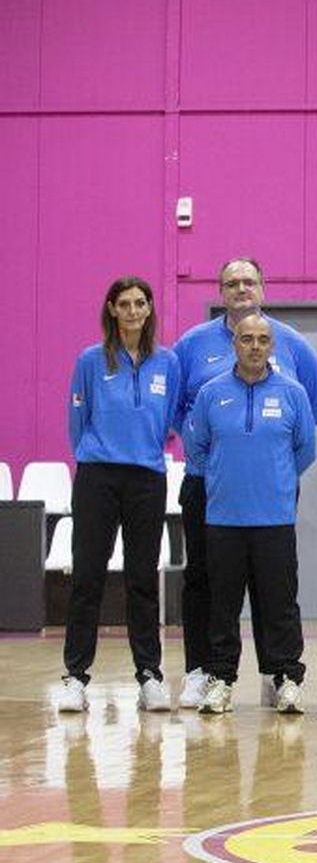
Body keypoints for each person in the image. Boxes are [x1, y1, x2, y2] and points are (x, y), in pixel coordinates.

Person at [171, 257, 317, 711]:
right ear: (220, 292)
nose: (241, 289)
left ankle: (278, 675)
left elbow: (310, 424)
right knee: (208, 585)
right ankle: (207, 673)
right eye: (232, 283)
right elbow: (183, 417)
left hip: (272, 494)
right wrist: (219, 467)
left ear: (263, 287)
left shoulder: (293, 348)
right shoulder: (193, 348)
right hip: (212, 491)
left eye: (249, 281)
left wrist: (274, 469)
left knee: (274, 588)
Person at [54, 277, 183, 714]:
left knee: (142, 579)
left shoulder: (168, 363)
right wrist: (95, 458)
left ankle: (149, 676)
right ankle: (75, 677)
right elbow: (78, 422)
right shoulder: (90, 360)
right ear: (111, 309)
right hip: (98, 478)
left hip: (147, 478)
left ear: (149, 309)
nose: (132, 311)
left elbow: (171, 416)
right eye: (124, 303)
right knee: (87, 577)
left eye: (140, 303)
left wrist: (145, 450)